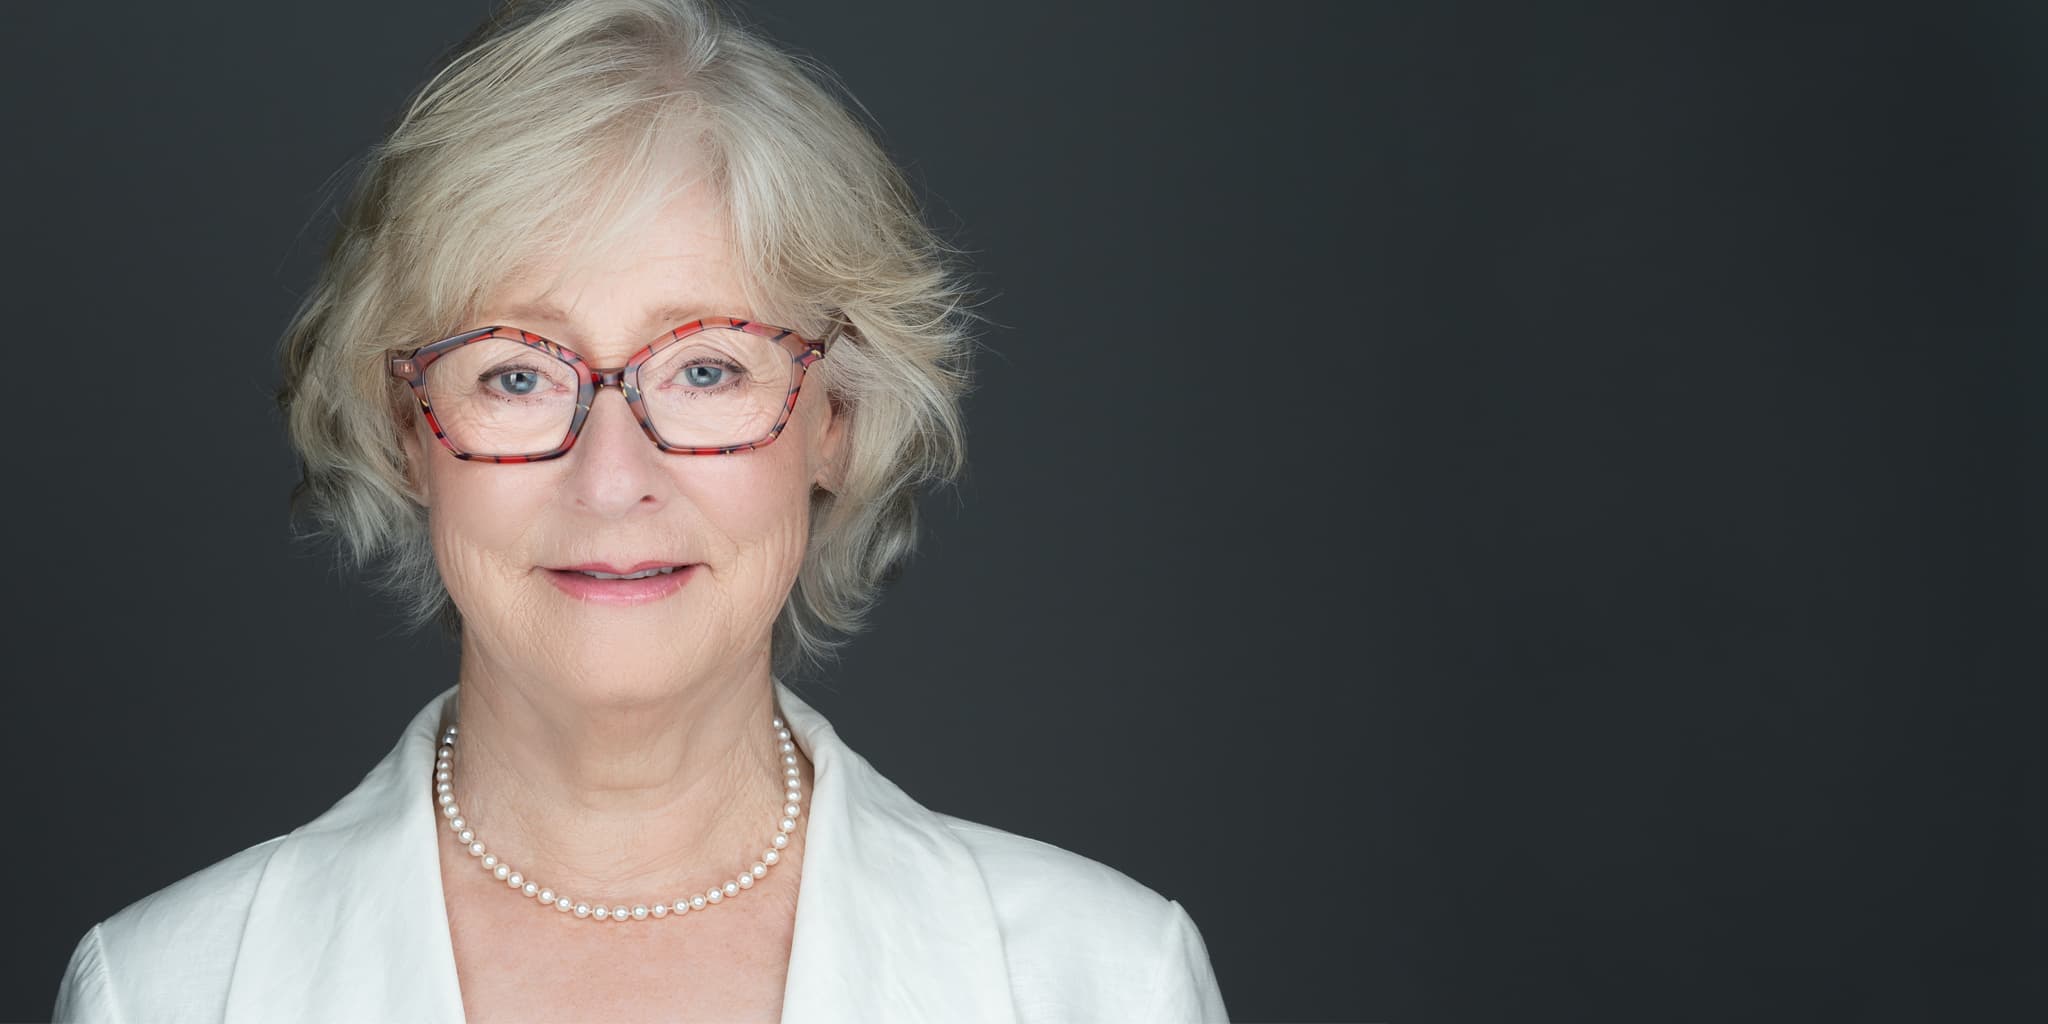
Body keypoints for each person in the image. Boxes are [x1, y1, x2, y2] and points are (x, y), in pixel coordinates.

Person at [48, 0, 1228, 1021]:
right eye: (515, 372)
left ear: (835, 417)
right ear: (411, 430)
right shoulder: (159, 991)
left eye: (706, 367)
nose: (612, 477)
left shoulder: (1103, 980)